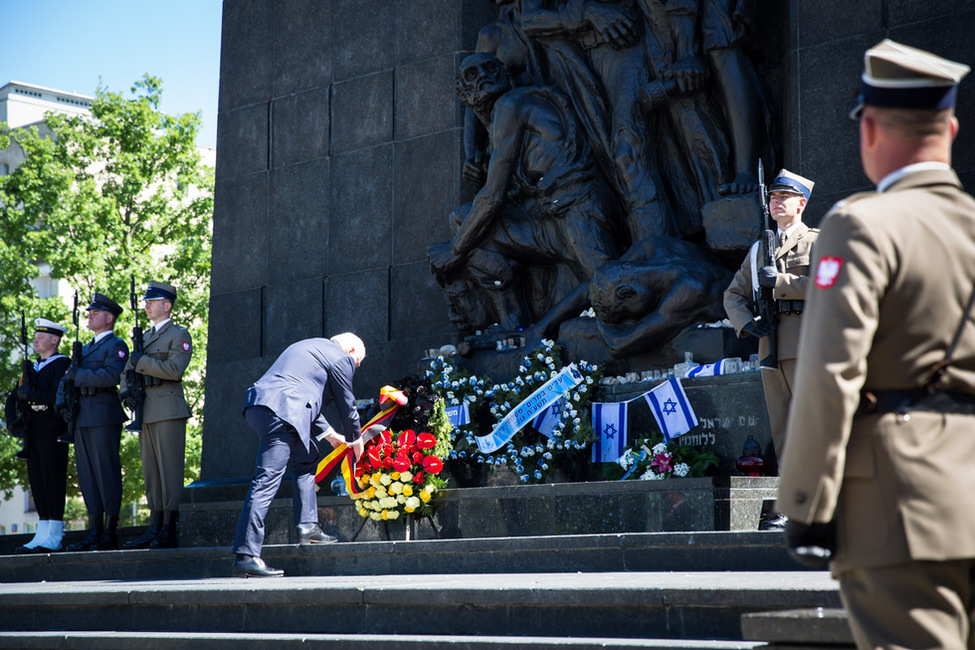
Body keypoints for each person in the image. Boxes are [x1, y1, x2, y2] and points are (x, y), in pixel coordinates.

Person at [778, 40, 975, 650]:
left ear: (868, 128)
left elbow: (830, 371)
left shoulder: (862, 224)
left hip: (901, 506)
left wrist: (807, 503)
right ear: (950, 127)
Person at [232, 334, 366, 578]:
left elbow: (301, 394)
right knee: (265, 482)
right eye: (357, 362)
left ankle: (307, 525)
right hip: (280, 412)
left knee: (307, 458)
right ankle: (246, 555)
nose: (354, 367)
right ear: (351, 349)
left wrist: (330, 435)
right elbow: (347, 402)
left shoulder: (310, 347)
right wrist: (356, 439)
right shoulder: (340, 357)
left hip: (263, 407)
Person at [723, 169, 817, 474]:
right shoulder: (760, 249)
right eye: (774, 197)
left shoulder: (818, 241)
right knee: (783, 430)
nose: (777, 202)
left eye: (785, 196)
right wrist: (747, 324)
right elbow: (733, 294)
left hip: (807, 345)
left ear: (800, 204)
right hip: (771, 347)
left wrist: (781, 282)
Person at [120, 281, 192, 549]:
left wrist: (142, 362)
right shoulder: (146, 337)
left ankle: (169, 528)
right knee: (151, 473)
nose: (147, 305)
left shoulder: (178, 335)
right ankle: (154, 527)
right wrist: (126, 391)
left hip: (168, 408)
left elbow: (174, 370)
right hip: (146, 410)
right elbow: (127, 369)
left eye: (152, 301)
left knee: (169, 471)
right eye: (146, 301)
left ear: (167, 305)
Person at [61, 293, 129, 552]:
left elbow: (112, 375)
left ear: (109, 318)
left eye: (95, 313)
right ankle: (94, 530)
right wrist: (62, 405)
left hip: (103, 414)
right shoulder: (86, 348)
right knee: (87, 476)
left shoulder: (116, 345)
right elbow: (67, 379)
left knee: (106, 472)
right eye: (88, 312)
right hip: (81, 416)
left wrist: (79, 374)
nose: (89, 316)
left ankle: (109, 531)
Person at [4, 319, 71, 553]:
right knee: (38, 483)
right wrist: (12, 422)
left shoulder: (62, 364)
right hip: (33, 429)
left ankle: (54, 534)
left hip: (52, 428)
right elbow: (13, 397)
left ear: (55, 340)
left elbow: (57, 395)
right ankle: (42, 531)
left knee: (52, 480)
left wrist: (30, 394)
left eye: (41, 337)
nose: (35, 340)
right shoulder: (32, 367)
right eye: (35, 336)